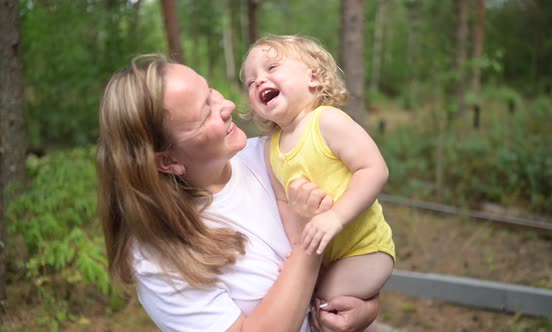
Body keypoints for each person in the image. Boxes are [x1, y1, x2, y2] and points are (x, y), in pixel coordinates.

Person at [96, 54, 379, 331]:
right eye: (206, 113)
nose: (229, 105)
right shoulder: (158, 258)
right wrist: (307, 243)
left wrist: (366, 308)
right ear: (168, 161)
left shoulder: (278, 155)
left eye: (210, 92)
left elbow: (359, 243)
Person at [241, 35, 396, 319]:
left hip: (365, 251)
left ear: (312, 78)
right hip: (324, 257)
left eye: (272, 68)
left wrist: (334, 217)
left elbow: (374, 169)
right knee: (301, 293)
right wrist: (297, 245)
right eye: (251, 82)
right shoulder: (272, 149)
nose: (260, 81)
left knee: (317, 303)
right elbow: (284, 204)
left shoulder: (326, 121)